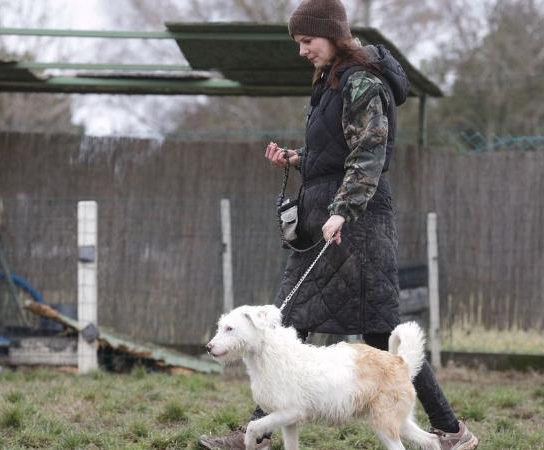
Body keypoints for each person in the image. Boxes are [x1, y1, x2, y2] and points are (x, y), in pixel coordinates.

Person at [199, 1, 478, 449]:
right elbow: (336, 156)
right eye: (299, 43)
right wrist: (296, 159)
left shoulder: (362, 82)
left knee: (378, 333)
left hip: (356, 224)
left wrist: (343, 209)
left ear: (333, 35)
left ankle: (450, 431)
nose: (302, 50)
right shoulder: (331, 84)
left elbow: (369, 154)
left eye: (307, 41)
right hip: (327, 218)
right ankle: (261, 433)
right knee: (288, 319)